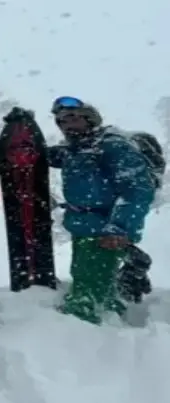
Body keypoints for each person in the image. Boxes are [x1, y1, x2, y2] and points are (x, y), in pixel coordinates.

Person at [47, 96, 155, 324]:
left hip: (105, 232)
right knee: (92, 282)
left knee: (87, 295)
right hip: (85, 228)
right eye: (61, 121)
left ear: (90, 118)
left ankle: (80, 339)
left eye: (73, 118)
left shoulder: (111, 145)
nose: (67, 124)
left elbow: (137, 189)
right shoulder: (75, 149)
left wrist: (119, 227)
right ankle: (111, 323)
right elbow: (51, 155)